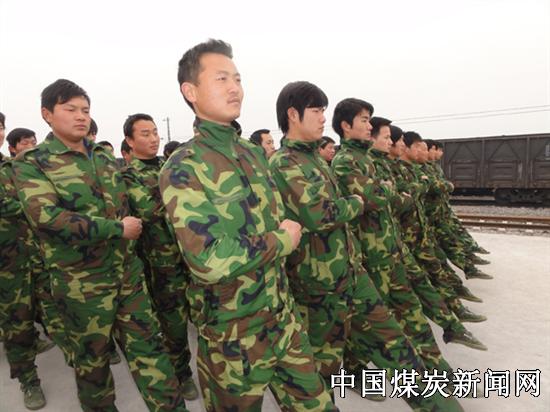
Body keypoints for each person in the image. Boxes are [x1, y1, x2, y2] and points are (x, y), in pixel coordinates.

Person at [159, 39, 336, 412]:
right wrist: (281, 240)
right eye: (221, 78)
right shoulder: (184, 167)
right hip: (232, 338)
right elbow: (208, 260)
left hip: (283, 320)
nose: (235, 88)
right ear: (190, 91)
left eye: (237, 78)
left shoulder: (253, 154)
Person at [12, 79, 187, 412]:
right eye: (71, 109)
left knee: (153, 357)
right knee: (93, 369)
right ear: (47, 114)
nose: (81, 116)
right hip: (82, 287)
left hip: (127, 277)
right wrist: (116, 229)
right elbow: (46, 216)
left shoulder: (104, 158)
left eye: (85, 110)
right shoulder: (32, 163)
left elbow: (131, 203)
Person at [121, 113, 198, 400]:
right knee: (174, 324)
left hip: (192, 258)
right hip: (162, 265)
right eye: (145, 134)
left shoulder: (169, 167)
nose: (154, 138)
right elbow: (150, 210)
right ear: (130, 141)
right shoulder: (128, 176)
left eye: (155, 132)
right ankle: (181, 374)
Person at [0, 124, 49, 410]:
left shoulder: (14, 167)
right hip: (6, 266)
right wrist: (36, 204)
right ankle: (28, 380)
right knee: (16, 325)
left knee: (56, 311)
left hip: (36, 255)